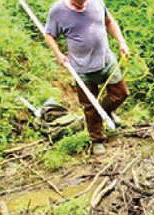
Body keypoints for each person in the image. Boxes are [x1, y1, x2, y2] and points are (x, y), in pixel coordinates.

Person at [44, 0, 130, 155]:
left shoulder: (97, 2)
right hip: (81, 69)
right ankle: (97, 140)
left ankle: (106, 113)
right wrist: (58, 54)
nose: (83, 4)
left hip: (106, 60)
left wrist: (121, 42)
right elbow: (49, 34)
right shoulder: (58, 10)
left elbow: (109, 21)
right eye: (79, 2)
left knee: (121, 94)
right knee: (90, 106)